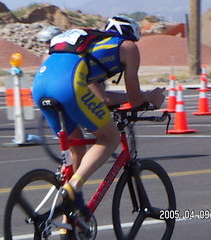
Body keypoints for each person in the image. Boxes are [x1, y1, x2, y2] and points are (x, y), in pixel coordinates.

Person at [32, 16, 165, 239]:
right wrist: (151, 97)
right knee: (109, 138)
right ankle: (73, 186)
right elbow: (134, 99)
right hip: (68, 85)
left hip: (40, 85)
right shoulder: (128, 47)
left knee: (78, 152)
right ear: (131, 35)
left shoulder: (90, 46)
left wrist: (128, 98)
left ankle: (69, 222)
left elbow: (101, 98)